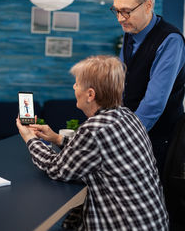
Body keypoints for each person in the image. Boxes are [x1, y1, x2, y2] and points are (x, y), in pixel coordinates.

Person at [16, 55, 169, 231]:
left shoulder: (94, 129)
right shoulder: (127, 116)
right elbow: (97, 150)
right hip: (153, 222)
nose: (74, 87)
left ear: (90, 94)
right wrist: (56, 138)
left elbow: (57, 169)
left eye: (77, 83)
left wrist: (30, 138)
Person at [111, 0, 185, 176]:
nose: (120, 18)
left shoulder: (170, 40)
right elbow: (121, 84)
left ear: (148, 5)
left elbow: (153, 103)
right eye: (116, 10)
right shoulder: (130, 32)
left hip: (158, 140)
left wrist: (122, 139)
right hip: (130, 134)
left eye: (126, 11)